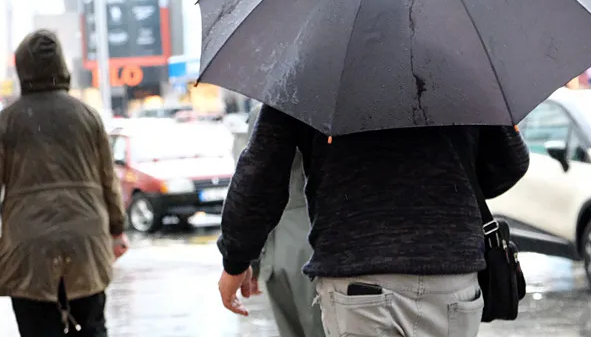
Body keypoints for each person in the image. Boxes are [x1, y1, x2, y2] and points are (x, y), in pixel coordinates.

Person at [217, 105, 529, 337]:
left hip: (359, 277)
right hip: (452, 273)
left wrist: (236, 259)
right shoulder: (458, 65)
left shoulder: (309, 70)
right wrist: (447, 182)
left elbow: (260, 174)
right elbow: (510, 164)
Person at [0, 30, 128, 336]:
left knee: (37, 328)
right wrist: (117, 228)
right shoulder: (87, 117)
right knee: (92, 325)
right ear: (62, 66)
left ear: (22, 69)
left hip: (28, 245)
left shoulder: (7, 122)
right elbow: (107, 180)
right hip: (86, 242)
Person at [243, 104, 324, 337]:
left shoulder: (264, 114)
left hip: (280, 246)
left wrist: (250, 261)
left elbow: (254, 189)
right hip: (312, 239)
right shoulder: (329, 112)